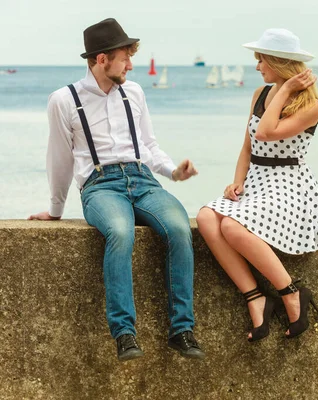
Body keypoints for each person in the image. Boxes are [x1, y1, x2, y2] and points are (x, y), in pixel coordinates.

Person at [28, 18, 204, 361]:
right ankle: (124, 333)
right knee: (121, 233)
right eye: (125, 57)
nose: (131, 64)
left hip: (143, 180)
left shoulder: (134, 92)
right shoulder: (64, 100)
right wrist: (56, 209)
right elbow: (59, 158)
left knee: (180, 228)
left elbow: (149, 145)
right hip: (100, 186)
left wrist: (173, 172)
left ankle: (182, 329)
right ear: (101, 59)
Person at [196, 28, 318, 342]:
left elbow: (266, 132)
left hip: (290, 185)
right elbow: (248, 147)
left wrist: (285, 88)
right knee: (206, 218)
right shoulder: (259, 94)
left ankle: (292, 293)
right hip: (257, 181)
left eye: (261, 60)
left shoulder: (311, 106)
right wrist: (236, 183)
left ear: (280, 63)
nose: (257, 67)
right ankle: (255, 297)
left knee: (233, 228)